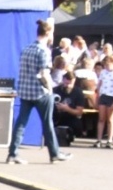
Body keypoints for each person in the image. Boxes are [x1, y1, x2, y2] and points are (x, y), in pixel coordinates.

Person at [6, 18, 70, 164]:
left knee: (21, 123)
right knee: (47, 124)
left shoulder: (26, 49)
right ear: (48, 33)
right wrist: (50, 89)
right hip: (40, 92)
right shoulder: (44, 51)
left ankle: (13, 153)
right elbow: (44, 74)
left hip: (25, 91)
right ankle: (55, 153)